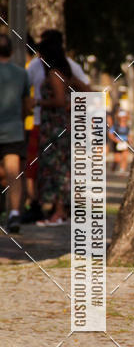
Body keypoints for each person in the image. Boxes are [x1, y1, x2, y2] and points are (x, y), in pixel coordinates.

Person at [26, 29, 91, 220]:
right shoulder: (63, 72)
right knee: (55, 167)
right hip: (54, 125)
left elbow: (60, 100)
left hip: (55, 127)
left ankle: (59, 209)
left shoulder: (55, 74)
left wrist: (38, 103)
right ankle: (53, 207)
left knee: (57, 168)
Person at [0, 35, 31, 233]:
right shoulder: (22, 74)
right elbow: (27, 106)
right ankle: (14, 214)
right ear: (11, 52)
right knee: (14, 173)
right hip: (13, 129)